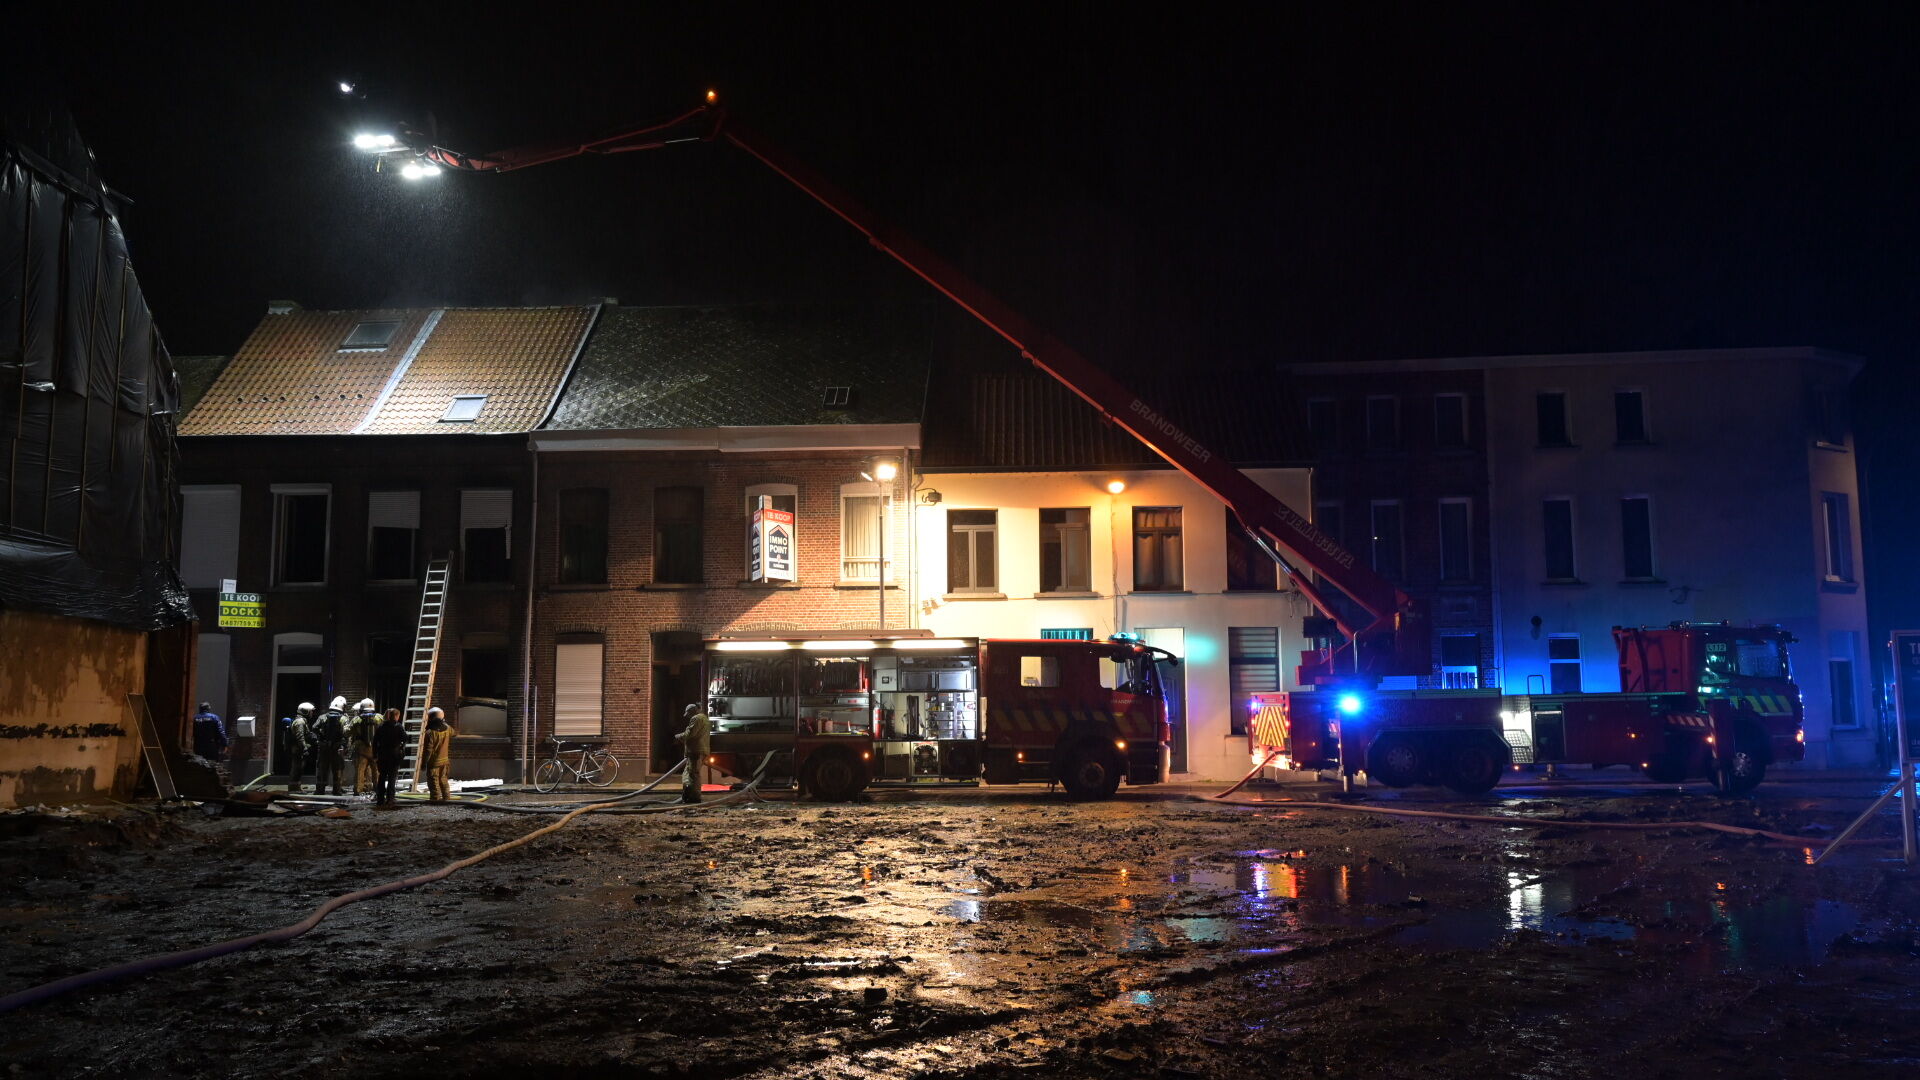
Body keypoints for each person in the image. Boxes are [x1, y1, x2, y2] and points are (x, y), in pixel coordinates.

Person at [313, 696, 349, 796]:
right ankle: (336, 790)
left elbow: (314, 727)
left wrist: (321, 737)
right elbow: (346, 733)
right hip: (337, 747)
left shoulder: (322, 717)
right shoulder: (343, 718)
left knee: (322, 768)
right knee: (337, 769)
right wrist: (344, 745)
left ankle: (320, 790)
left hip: (324, 747)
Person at [372, 706, 409, 807]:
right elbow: (405, 738)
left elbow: (375, 742)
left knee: (382, 777)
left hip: (382, 756)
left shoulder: (381, 727)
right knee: (392, 778)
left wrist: (375, 754)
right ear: (397, 716)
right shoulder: (398, 727)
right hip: (394, 756)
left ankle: (380, 799)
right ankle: (390, 799)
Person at [675, 702, 710, 805]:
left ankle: (693, 798)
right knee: (690, 774)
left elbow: (690, 734)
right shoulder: (704, 718)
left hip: (695, 751)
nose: (688, 717)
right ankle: (689, 796)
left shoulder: (696, 718)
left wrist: (678, 736)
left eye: (689, 714)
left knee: (692, 775)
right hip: (701, 750)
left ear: (693, 711)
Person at [420, 707, 453, 802]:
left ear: (430, 718)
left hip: (434, 762)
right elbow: (453, 733)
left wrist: (424, 764)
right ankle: (447, 799)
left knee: (433, 782)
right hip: (445, 761)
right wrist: (444, 723)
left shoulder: (430, 733)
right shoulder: (448, 728)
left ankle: (435, 800)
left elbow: (428, 750)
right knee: (444, 780)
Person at [348, 698, 380, 795]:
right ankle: (378, 789)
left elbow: (347, 732)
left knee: (360, 770)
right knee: (376, 770)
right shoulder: (379, 718)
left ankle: (358, 790)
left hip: (361, 748)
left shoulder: (357, 719)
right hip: (375, 748)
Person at [285, 703, 316, 793]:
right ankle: (293, 789)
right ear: (305, 711)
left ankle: (296, 787)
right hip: (298, 749)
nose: (312, 713)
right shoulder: (300, 722)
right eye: (311, 711)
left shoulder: (301, 721)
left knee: (298, 769)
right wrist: (304, 748)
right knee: (297, 769)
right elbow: (300, 737)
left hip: (298, 748)